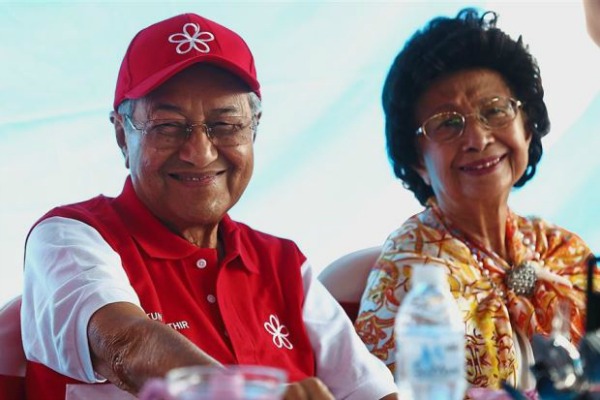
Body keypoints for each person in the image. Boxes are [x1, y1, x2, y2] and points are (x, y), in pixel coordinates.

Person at [20, 13, 397, 400]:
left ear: (254, 129)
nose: (199, 153)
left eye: (225, 125)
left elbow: (369, 391)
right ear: (122, 135)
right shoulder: (67, 237)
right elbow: (124, 344)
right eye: (167, 125)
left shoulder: (282, 264)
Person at [354, 7, 597, 392]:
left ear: (527, 128)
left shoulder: (561, 248)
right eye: (448, 123)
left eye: (495, 110)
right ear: (416, 159)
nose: (478, 138)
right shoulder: (408, 274)